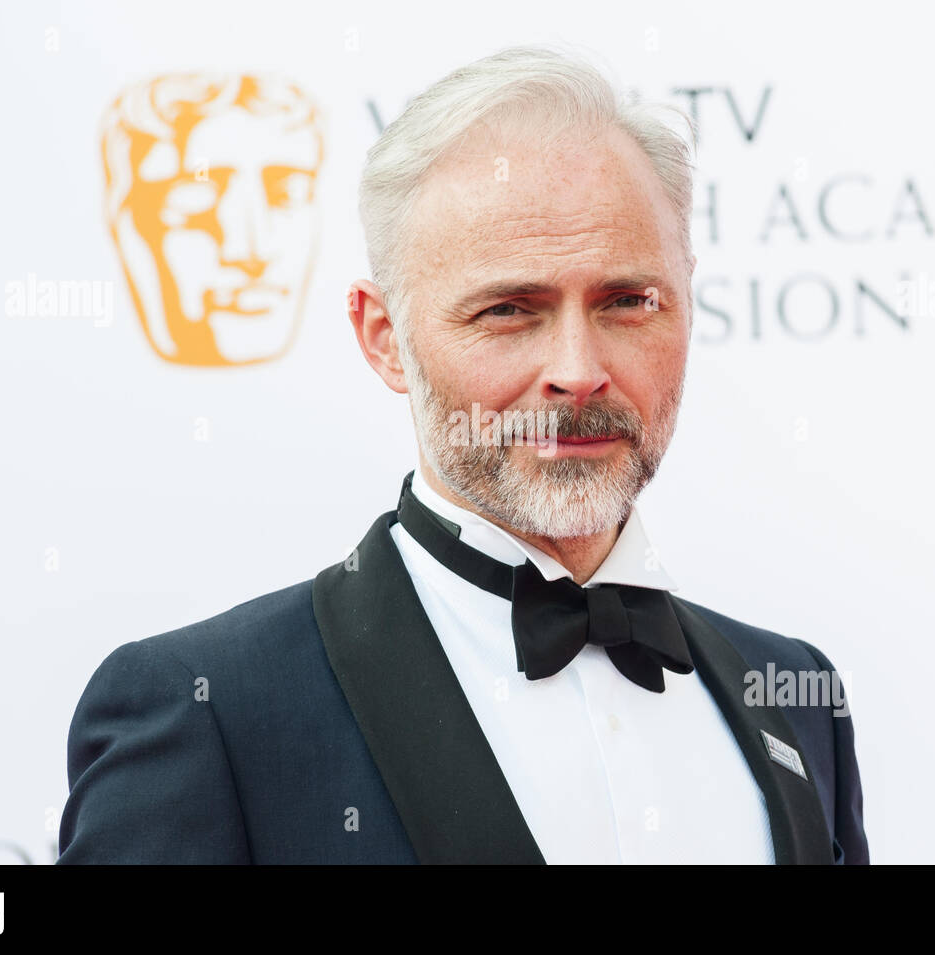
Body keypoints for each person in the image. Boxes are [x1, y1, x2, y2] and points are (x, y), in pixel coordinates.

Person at [57, 44, 868, 865]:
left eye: (628, 300)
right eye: (510, 310)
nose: (578, 374)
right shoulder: (208, 712)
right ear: (385, 340)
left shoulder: (793, 695)